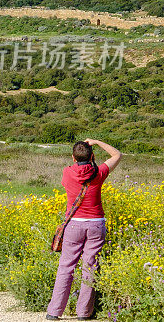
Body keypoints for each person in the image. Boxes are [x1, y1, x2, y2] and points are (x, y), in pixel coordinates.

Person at [46, 138, 122, 321]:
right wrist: (96, 142)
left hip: (74, 224)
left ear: (73, 157)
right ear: (92, 156)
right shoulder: (99, 172)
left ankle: (54, 312)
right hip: (96, 224)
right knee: (90, 267)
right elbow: (117, 154)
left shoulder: (67, 172)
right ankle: (83, 313)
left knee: (66, 267)